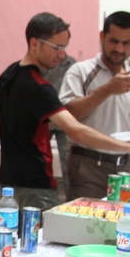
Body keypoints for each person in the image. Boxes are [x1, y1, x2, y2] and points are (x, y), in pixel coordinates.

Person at [0, 12, 130, 211]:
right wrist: (129, 147)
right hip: (38, 184)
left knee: (10, 235)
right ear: (35, 44)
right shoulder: (40, 87)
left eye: (64, 48)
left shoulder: (10, 73)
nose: (62, 55)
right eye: (57, 47)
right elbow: (76, 130)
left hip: (9, 182)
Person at [58, 11, 130, 200]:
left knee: (120, 223)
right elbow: (69, 116)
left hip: (124, 167)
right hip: (89, 166)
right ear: (102, 37)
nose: (119, 49)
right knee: (85, 224)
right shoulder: (80, 71)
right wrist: (107, 90)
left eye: (126, 43)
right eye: (114, 41)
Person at [41, 53, 76, 194]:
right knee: (41, 157)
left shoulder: (71, 64)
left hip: (63, 119)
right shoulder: (45, 62)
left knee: (67, 159)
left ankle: (70, 194)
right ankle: (44, 192)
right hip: (45, 119)